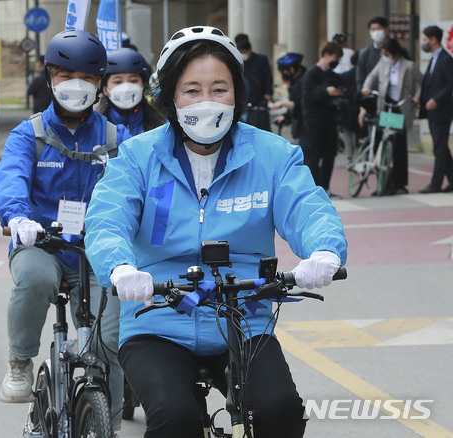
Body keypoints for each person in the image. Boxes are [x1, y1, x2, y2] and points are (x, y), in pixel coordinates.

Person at [84, 25, 347, 438]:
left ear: (237, 94)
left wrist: (325, 251)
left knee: (281, 411)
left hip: (245, 317)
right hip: (156, 320)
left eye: (219, 88)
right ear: (170, 95)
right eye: (192, 90)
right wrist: (119, 268)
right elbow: (107, 219)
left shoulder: (272, 154)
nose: (206, 102)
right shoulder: (137, 157)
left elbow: (306, 206)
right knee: (175, 420)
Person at [0, 29, 130, 432]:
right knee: (34, 279)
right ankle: (20, 361)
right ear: (49, 77)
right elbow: (10, 176)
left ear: (100, 82)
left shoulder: (113, 138)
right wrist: (18, 217)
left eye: (87, 77)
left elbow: (134, 189)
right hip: (43, 244)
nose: (76, 85)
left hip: (98, 248)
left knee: (111, 340)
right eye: (65, 74)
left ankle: (109, 426)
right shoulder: (29, 135)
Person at [359, 37, 422, 196]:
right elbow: (371, 76)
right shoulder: (383, 63)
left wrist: (417, 97)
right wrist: (366, 87)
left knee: (399, 146)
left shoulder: (409, 66)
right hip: (385, 107)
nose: (384, 56)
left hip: (400, 107)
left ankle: (399, 183)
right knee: (381, 143)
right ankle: (383, 183)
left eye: (386, 53)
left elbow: (423, 82)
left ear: (394, 53)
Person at [302, 42, 345, 198]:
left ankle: (325, 188)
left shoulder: (334, 76)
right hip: (314, 122)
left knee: (329, 155)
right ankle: (313, 189)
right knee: (314, 156)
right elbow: (308, 96)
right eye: (335, 58)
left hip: (330, 121)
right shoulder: (312, 73)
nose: (336, 61)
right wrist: (326, 91)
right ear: (326, 55)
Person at [97, 47, 165, 136]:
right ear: (105, 89)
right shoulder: (95, 128)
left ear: (143, 86)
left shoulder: (162, 126)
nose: (126, 88)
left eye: (133, 81)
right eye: (118, 82)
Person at [418, 25, 453, 194]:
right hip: (431, 111)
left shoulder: (446, 59)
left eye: (425, 39)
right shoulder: (434, 58)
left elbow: (450, 84)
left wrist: (436, 99)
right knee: (441, 148)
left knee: (439, 148)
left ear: (433, 39)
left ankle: (436, 183)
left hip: (441, 111)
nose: (423, 43)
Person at [234, 33, 273, 131]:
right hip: (245, 98)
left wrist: (269, 92)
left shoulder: (261, 59)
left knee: (262, 125)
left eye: (243, 52)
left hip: (260, 96)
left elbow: (268, 77)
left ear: (249, 50)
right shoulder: (238, 62)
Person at [272, 52, 307, 152]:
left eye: (284, 71)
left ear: (292, 69)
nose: (283, 75)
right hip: (301, 125)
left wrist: (281, 104)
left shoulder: (303, 82)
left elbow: (297, 104)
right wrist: (286, 116)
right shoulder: (295, 82)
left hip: (308, 126)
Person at [356, 16, 388, 90]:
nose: (376, 32)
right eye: (373, 29)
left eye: (379, 29)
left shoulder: (397, 50)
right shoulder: (365, 53)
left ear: (386, 29)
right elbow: (360, 77)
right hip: (371, 94)